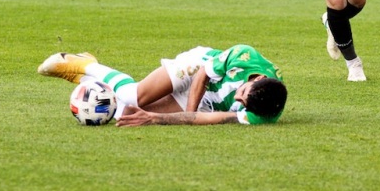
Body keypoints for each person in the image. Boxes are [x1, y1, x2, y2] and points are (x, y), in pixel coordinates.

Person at [37, 44, 286, 126]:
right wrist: (189, 112)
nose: (238, 101)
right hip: (198, 68)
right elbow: (202, 76)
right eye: (242, 94)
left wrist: (155, 118)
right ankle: (85, 65)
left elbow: (217, 119)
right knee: (134, 95)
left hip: (210, 102)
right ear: (259, 79)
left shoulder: (264, 112)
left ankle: (88, 81)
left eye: (241, 104)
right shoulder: (245, 56)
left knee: (126, 113)